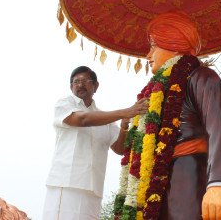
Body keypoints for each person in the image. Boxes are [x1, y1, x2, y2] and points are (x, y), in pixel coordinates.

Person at [144, 10, 221, 220]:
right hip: (159, 188)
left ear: (172, 42)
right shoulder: (155, 94)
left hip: (194, 181)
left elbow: (220, 130)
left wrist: (219, 183)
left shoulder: (202, 78)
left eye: (152, 46)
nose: (147, 56)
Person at [43, 66, 148, 220]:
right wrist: (124, 112)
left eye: (85, 81)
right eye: (76, 82)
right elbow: (82, 119)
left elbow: (119, 149)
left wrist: (124, 127)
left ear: (95, 86)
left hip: (93, 190)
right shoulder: (64, 105)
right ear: (71, 87)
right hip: (67, 185)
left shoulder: (103, 117)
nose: (80, 85)